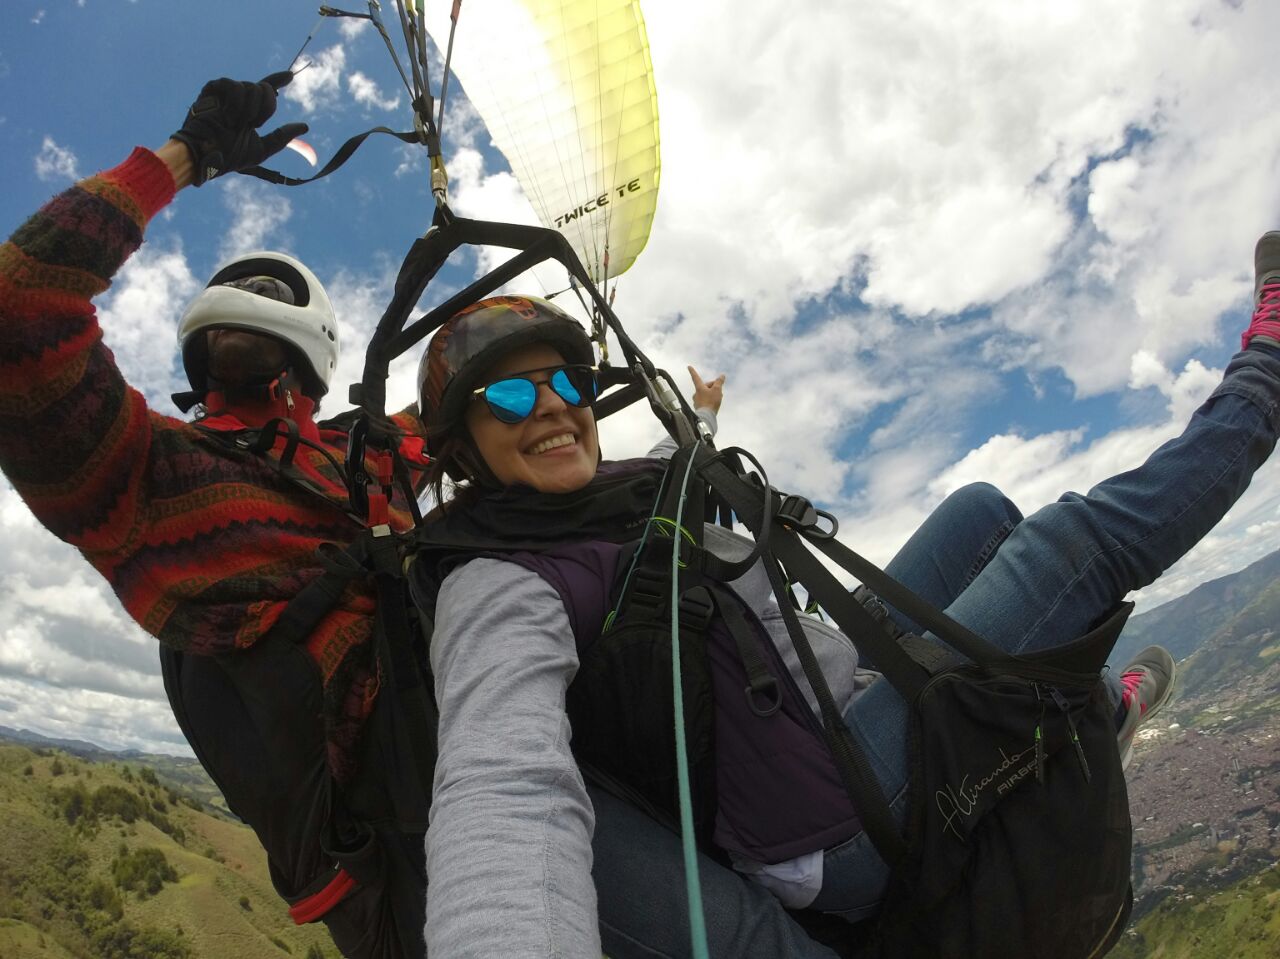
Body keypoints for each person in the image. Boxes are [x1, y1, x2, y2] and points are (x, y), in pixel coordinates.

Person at [410, 265, 1280, 956]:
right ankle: (1263, 376)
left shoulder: (594, 500)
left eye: (567, 381)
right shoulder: (495, 584)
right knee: (1068, 548)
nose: (557, 405)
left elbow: (671, 495)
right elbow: (503, 782)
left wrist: (701, 416)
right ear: (461, 444)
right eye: (514, 397)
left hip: (816, 700)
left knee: (976, 511)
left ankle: (1062, 713)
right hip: (827, 822)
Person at [0, 74, 432, 956]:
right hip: (403, 870)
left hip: (500, 750)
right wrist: (184, 156)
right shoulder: (152, 473)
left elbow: (502, 420)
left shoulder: (362, 451)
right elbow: (18, 310)